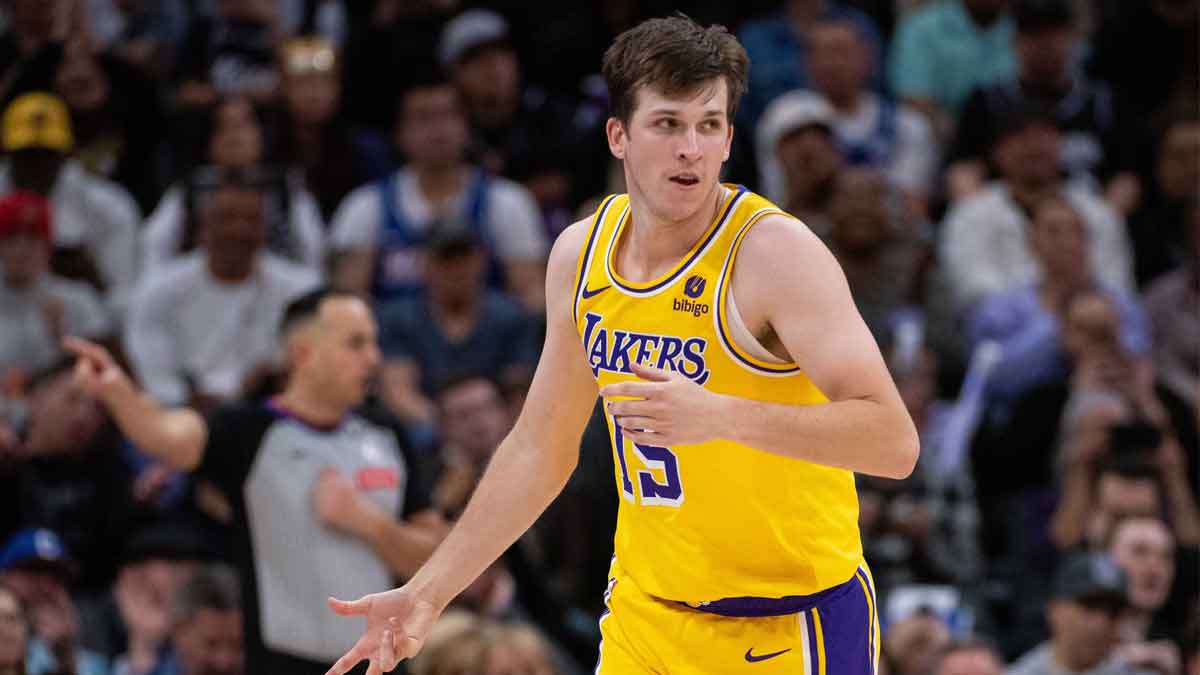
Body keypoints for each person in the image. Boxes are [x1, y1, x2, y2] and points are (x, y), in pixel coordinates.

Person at [326, 15, 918, 674]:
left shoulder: (775, 254)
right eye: (668, 124)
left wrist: (720, 415)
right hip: (648, 615)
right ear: (619, 136)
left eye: (710, 124)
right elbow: (539, 447)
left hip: (788, 621)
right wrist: (429, 591)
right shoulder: (582, 253)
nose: (691, 148)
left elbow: (892, 440)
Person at [67, 287, 445, 675]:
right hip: (282, 664)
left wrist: (369, 524)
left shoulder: (387, 433)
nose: (374, 358)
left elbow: (435, 558)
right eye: (356, 344)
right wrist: (117, 392)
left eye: (374, 343)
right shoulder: (247, 431)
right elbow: (166, 435)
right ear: (303, 353)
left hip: (383, 663)